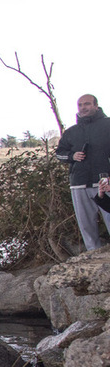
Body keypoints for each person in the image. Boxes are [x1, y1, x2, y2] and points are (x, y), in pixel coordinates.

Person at [56, 94, 110, 250]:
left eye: (87, 104)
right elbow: (59, 153)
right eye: (80, 105)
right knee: (86, 226)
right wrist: (72, 156)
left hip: (104, 183)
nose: (83, 107)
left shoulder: (107, 125)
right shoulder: (71, 132)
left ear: (96, 105)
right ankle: (93, 256)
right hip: (79, 184)